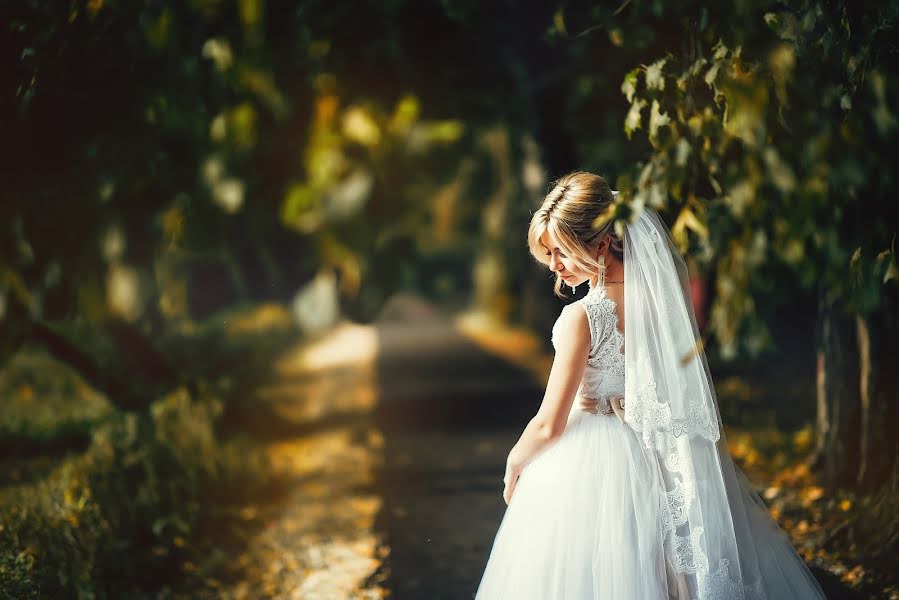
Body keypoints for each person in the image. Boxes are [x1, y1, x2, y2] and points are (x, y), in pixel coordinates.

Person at [474, 171, 827, 599]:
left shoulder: (581, 318)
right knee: (670, 570)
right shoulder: (661, 301)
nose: (554, 266)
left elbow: (549, 423)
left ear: (600, 244)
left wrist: (515, 462)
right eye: (548, 254)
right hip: (660, 451)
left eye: (561, 252)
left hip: (592, 459)